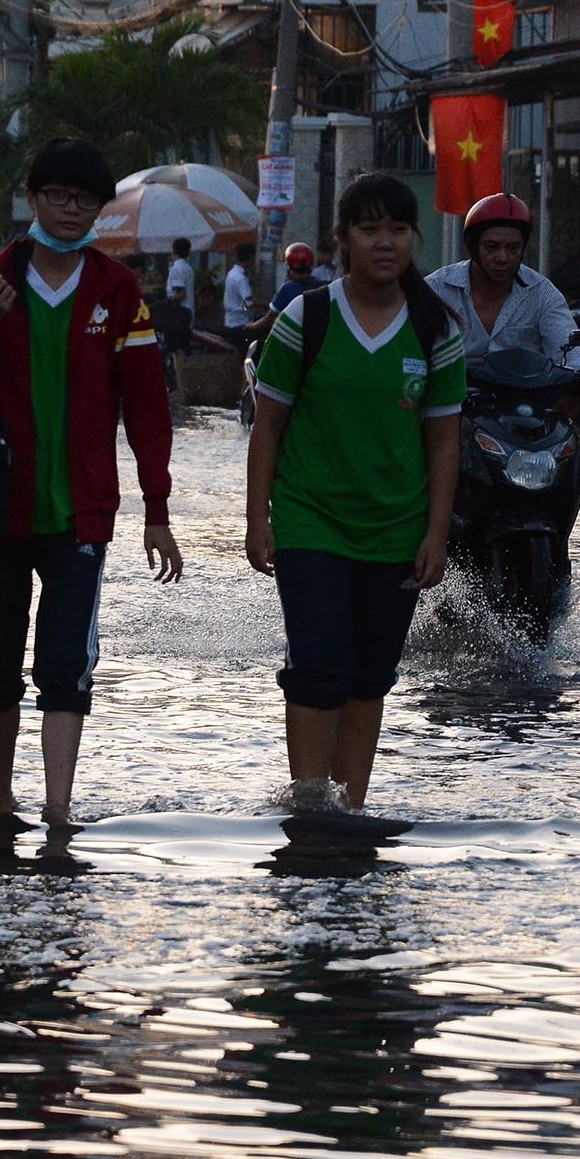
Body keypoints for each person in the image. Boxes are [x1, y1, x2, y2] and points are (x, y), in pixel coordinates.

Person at [0, 136, 183, 827]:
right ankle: (3, 801)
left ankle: (58, 810)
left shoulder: (117, 289)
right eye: (56, 195)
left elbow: (147, 408)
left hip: (81, 511)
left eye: (83, 199)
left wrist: (156, 507)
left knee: (67, 666)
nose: (69, 209)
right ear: (33, 198)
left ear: (99, 207)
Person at [245, 172, 466, 812]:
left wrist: (436, 532)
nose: (385, 242)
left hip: (397, 527)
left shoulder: (435, 329)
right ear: (342, 239)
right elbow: (269, 425)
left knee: (369, 678)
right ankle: (311, 804)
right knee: (317, 667)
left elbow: (444, 442)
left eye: (398, 229)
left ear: (414, 238)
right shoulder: (304, 319)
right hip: (310, 519)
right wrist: (258, 518)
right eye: (369, 229)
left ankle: (352, 808)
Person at [424, 192, 580, 384]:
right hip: (452, 400)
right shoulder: (436, 289)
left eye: (513, 248)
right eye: (491, 247)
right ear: (472, 246)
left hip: (525, 403)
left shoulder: (542, 292)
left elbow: (564, 339)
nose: (502, 258)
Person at [244, 242, 317, 341]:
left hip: (292, 339)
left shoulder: (288, 288)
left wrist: (250, 326)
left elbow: (268, 319)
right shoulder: (318, 284)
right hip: (315, 339)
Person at [160, 236, 195, 354]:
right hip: (187, 313)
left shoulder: (176, 268)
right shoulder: (187, 267)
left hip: (179, 316)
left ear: (173, 251)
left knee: (176, 348)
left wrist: (167, 301)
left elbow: (181, 293)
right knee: (184, 347)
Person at [223, 241, 257, 335]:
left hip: (231, 322)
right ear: (251, 258)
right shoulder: (241, 278)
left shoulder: (232, 273)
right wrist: (258, 304)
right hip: (240, 323)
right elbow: (248, 303)